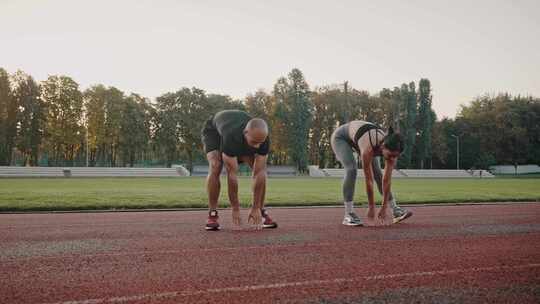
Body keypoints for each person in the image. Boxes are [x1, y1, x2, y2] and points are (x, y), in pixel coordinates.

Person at [201, 109, 278, 231]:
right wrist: (235, 208)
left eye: (260, 143)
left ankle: (261, 211)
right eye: (254, 142)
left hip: (240, 136)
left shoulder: (263, 140)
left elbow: (259, 173)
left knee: (261, 170)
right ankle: (213, 214)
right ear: (245, 132)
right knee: (216, 165)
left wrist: (255, 207)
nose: (257, 146)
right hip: (214, 131)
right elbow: (232, 175)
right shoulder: (230, 137)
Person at [330, 120, 413, 226]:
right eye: (391, 155)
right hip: (341, 138)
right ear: (383, 147)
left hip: (362, 139)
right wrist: (371, 207)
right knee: (351, 169)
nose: (393, 159)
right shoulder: (368, 148)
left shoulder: (392, 149)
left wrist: (384, 208)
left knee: (378, 174)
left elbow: (386, 181)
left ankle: (395, 210)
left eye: (396, 156)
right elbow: (369, 180)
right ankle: (348, 214)